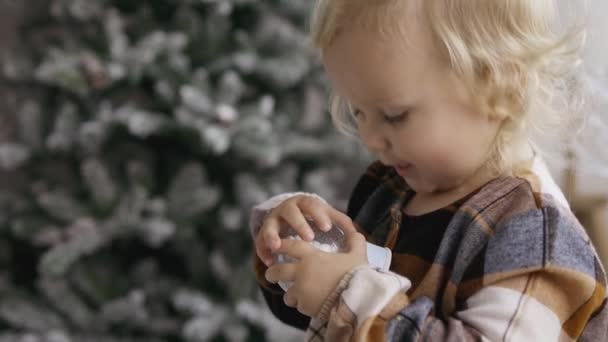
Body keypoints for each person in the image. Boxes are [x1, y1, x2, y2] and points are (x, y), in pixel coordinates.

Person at [249, 0, 608, 340]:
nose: (370, 138)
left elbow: (351, 305)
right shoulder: (390, 186)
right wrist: (294, 251)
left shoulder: (535, 238)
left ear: (503, 89)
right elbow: (317, 314)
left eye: (394, 115)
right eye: (358, 112)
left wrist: (348, 293)